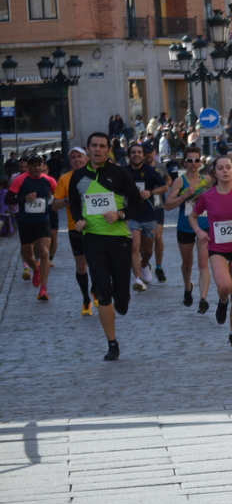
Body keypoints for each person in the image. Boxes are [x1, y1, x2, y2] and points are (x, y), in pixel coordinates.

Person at [68, 132, 144, 361]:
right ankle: (112, 343)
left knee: (120, 297)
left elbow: (138, 204)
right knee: (103, 291)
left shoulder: (119, 174)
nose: (98, 150)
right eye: (94, 146)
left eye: (102, 146)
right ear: (88, 148)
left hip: (119, 239)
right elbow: (74, 204)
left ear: (108, 150)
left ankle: (123, 299)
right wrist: (79, 219)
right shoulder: (78, 176)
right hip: (93, 239)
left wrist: (121, 213)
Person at [191, 156, 232, 350]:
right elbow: (193, 217)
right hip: (217, 248)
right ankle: (221, 301)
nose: (225, 171)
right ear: (215, 172)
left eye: (228, 167)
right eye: (221, 168)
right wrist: (199, 231)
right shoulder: (208, 196)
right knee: (225, 286)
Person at [165, 146, 213, 313]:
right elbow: (168, 205)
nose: (194, 163)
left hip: (204, 225)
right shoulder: (180, 181)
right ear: (184, 162)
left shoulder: (207, 180)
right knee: (187, 264)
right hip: (185, 227)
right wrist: (185, 196)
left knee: (202, 263)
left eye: (197, 160)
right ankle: (187, 287)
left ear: (201, 162)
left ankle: (203, 299)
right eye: (190, 160)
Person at [53, 147, 97, 316]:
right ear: (69, 161)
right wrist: (67, 199)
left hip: (96, 225)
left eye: (79, 157)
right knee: (81, 265)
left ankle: (95, 289)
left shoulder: (95, 175)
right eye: (73, 158)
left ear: (86, 158)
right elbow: (55, 206)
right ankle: (86, 299)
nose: (76, 160)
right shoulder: (65, 179)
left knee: (96, 262)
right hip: (75, 226)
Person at [6, 154, 56, 302]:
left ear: (42, 166)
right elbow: (7, 199)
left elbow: (57, 193)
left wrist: (54, 201)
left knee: (44, 252)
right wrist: (24, 199)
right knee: (28, 255)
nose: (36, 167)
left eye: (38, 165)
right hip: (25, 222)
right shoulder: (20, 180)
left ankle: (44, 289)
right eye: (33, 165)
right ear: (28, 167)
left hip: (43, 221)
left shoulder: (49, 180)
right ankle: (36, 269)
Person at [125, 142, 169, 292]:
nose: (136, 155)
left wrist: (151, 193)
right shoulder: (124, 172)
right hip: (132, 215)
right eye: (133, 152)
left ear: (143, 155)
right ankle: (138, 279)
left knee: (148, 249)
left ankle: (144, 265)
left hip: (149, 215)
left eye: (139, 152)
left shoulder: (150, 171)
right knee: (135, 247)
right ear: (129, 155)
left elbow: (165, 186)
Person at [146, 144, 170, 281]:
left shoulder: (160, 167)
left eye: (151, 152)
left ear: (154, 152)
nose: (148, 155)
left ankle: (159, 267)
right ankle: (146, 263)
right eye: (146, 152)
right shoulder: (139, 167)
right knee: (145, 240)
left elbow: (167, 179)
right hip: (143, 207)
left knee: (158, 237)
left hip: (158, 206)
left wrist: (165, 185)